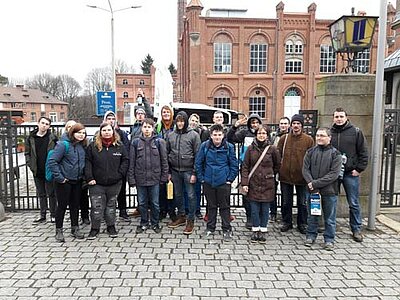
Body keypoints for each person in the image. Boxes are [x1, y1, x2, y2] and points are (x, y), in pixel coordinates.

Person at [85, 122, 129, 240]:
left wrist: (120, 174)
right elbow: (87, 162)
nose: (107, 132)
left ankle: (111, 226)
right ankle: (95, 228)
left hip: (115, 183)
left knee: (111, 206)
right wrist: (89, 177)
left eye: (109, 130)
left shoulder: (119, 146)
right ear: (100, 132)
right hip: (96, 183)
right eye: (104, 130)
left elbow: (125, 160)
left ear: (113, 131)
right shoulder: (93, 146)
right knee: (96, 207)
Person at [330, 107, 369, 243]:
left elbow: (363, 152)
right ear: (333, 118)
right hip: (334, 174)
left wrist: (359, 169)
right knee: (332, 201)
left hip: (350, 173)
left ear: (346, 117)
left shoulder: (356, 132)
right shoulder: (330, 132)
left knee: (353, 202)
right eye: (336, 117)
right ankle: (331, 228)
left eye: (341, 116)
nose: (339, 119)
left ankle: (356, 228)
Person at [195, 124, 239, 242]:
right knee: (211, 206)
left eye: (219, 135)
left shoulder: (229, 147)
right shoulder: (205, 146)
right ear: (211, 135)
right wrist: (202, 178)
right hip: (208, 181)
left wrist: (229, 179)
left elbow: (234, 165)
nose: (217, 137)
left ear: (223, 135)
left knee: (225, 207)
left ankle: (227, 228)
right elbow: (198, 163)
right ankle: (210, 227)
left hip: (223, 182)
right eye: (215, 135)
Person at [302, 127, 342, 250]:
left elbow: (333, 174)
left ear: (329, 138)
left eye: (322, 136)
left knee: (329, 218)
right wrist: (310, 183)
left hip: (329, 191)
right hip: (313, 191)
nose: (319, 138)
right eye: (318, 135)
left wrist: (315, 183)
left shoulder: (336, 154)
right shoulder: (310, 152)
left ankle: (329, 239)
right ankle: (311, 236)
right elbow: (305, 169)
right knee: (312, 215)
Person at [48, 123, 87, 242]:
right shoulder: (63, 144)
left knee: (75, 205)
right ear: (72, 133)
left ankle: (75, 228)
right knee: (62, 206)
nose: (81, 135)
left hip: (77, 180)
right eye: (79, 132)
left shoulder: (82, 145)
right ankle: (58, 230)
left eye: (83, 133)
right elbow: (52, 161)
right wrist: (60, 178)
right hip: (64, 181)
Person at [241, 125, 280, 244]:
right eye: (259, 133)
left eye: (264, 133)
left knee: (265, 208)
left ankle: (263, 229)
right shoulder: (250, 149)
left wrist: (270, 174)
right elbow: (245, 166)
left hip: (267, 183)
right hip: (253, 182)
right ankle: (255, 229)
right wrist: (244, 182)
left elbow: (277, 165)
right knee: (254, 208)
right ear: (256, 135)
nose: (261, 135)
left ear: (267, 135)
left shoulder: (272, 149)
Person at [128, 118, 169, 234]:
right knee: (142, 202)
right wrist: (131, 178)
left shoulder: (159, 142)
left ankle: (155, 223)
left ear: (153, 128)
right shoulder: (135, 142)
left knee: (155, 203)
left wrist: (164, 177)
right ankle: (144, 222)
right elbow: (132, 162)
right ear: (142, 128)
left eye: (149, 127)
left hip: (155, 179)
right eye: (145, 127)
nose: (147, 129)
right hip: (140, 178)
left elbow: (164, 161)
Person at [277, 114, 314, 234]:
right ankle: (287, 222)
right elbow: (278, 155)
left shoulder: (308, 140)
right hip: (286, 176)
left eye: (298, 124)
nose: (296, 126)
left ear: (302, 125)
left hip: (302, 177)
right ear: (291, 125)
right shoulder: (284, 138)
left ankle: (302, 223)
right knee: (286, 201)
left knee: (302, 202)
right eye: (294, 123)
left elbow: (312, 158)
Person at [166, 111, 201, 235]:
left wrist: (194, 173)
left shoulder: (193, 135)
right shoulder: (171, 135)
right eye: (178, 121)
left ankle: (190, 220)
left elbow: (198, 155)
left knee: (191, 196)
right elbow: (167, 153)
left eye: (182, 121)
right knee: (178, 195)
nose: (180, 123)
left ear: (185, 122)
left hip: (188, 170)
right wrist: (169, 171)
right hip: (175, 170)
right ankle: (181, 216)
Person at [227, 113, 262, 230]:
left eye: (257, 122)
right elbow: (230, 138)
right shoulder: (244, 133)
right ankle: (249, 217)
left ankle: (258, 216)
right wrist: (235, 126)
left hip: (260, 167)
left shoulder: (263, 133)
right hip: (246, 166)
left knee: (259, 192)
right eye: (253, 122)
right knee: (245, 192)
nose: (255, 125)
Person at [25, 117, 58, 224]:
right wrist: (30, 165)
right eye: (42, 123)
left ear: (49, 126)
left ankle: (53, 214)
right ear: (38, 123)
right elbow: (27, 153)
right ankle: (42, 215)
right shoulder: (31, 138)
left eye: (47, 124)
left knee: (52, 193)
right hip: (37, 169)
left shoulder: (52, 137)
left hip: (49, 170)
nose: (44, 125)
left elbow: (57, 152)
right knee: (41, 193)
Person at [103, 110, 131, 222]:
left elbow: (126, 150)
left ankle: (123, 211)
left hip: (119, 168)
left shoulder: (122, 133)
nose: (111, 121)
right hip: (105, 168)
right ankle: (107, 213)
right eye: (109, 118)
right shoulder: (100, 132)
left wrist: (123, 169)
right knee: (106, 193)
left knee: (121, 191)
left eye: (113, 118)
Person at [185, 113, 208, 219]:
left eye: (195, 121)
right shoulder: (185, 132)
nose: (193, 122)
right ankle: (187, 209)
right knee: (187, 189)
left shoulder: (202, 132)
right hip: (187, 164)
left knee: (197, 189)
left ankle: (197, 209)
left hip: (199, 164)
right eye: (192, 120)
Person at [156, 105, 175, 221]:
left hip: (173, 159)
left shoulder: (175, 126)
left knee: (172, 188)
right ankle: (162, 210)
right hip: (160, 160)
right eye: (164, 112)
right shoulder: (158, 127)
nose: (166, 114)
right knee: (161, 188)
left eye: (168, 112)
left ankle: (172, 211)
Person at [270, 116, 291, 222]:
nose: (283, 125)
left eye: (285, 123)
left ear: (289, 125)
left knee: (285, 193)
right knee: (272, 190)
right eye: (281, 123)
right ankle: (273, 212)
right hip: (274, 166)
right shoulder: (274, 136)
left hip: (286, 167)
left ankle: (284, 213)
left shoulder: (291, 136)